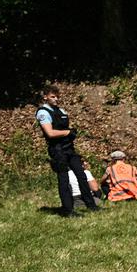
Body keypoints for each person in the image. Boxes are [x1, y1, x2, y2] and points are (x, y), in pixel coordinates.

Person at [35, 85, 99, 216]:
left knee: (82, 175)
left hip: (69, 148)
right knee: (63, 179)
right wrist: (68, 132)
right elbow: (50, 133)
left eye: (57, 97)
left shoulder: (61, 111)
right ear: (45, 97)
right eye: (53, 97)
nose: (56, 99)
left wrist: (70, 133)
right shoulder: (43, 112)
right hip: (57, 150)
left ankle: (91, 205)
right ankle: (67, 210)